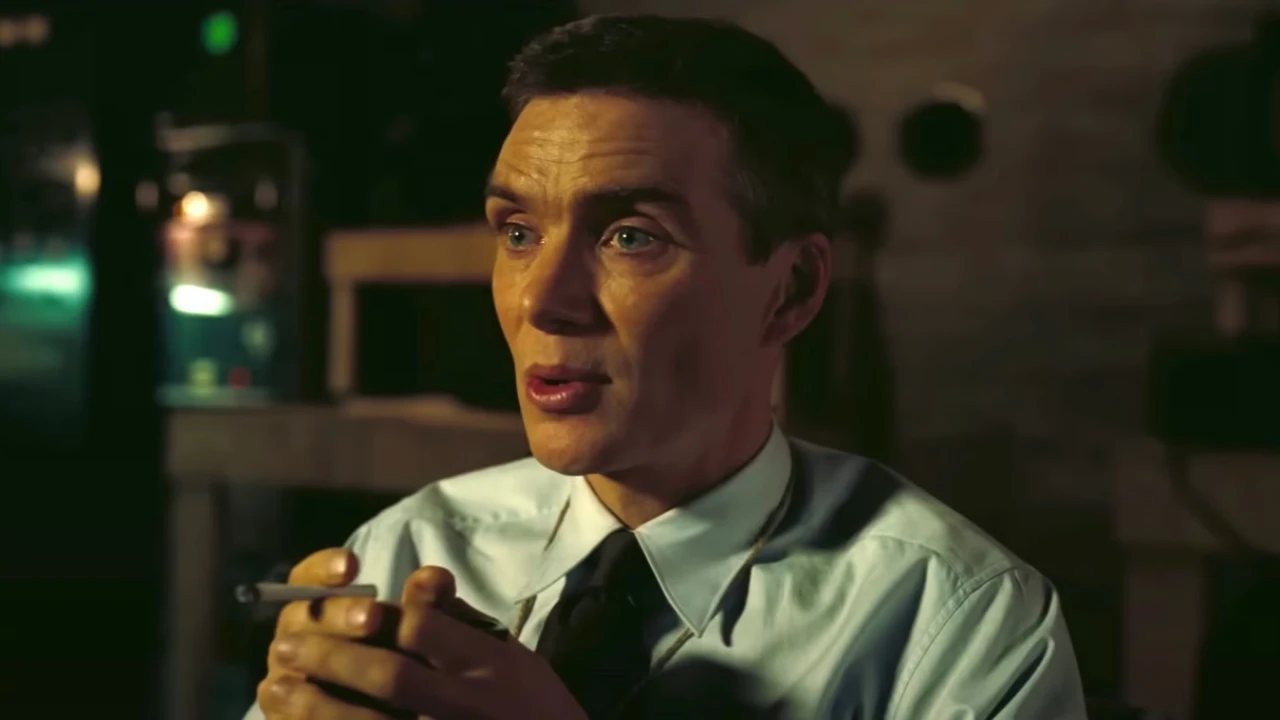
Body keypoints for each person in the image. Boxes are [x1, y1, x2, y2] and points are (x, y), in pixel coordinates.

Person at [247, 14, 1087, 720]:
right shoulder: (411, 550)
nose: (543, 300)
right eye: (518, 233)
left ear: (790, 290)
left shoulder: (954, 627)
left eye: (630, 236)